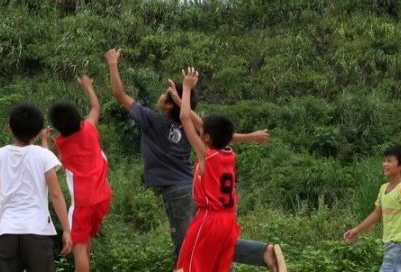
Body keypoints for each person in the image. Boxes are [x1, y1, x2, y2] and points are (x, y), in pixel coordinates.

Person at [105, 48, 286, 272]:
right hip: (194, 191)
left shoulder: (155, 121)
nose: (161, 96)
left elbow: (119, 94)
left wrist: (113, 63)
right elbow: (215, 131)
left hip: (179, 191)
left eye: (164, 94)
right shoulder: (217, 146)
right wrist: (252, 136)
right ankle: (262, 252)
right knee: (209, 244)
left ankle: (261, 253)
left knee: (186, 249)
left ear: (170, 104)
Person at [0, 102, 73, 272]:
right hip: (37, 230)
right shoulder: (44, 156)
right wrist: (67, 230)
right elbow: (56, 195)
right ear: (38, 130)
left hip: (7, 230)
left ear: (10, 128)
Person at [174, 67, 240, 272]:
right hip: (229, 221)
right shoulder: (227, 153)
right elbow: (199, 122)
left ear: (207, 137)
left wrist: (186, 88)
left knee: (191, 267)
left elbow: (185, 118)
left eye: (202, 131)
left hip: (209, 219)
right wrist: (180, 98)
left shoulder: (207, 155)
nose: (199, 130)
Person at [48, 76, 113, 272]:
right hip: (103, 197)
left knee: (79, 246)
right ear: (77, 116)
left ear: (57, 126)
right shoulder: (89, 129)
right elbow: (95, 108)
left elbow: (47, 159)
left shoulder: (61, 142)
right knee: (85, 240)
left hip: (82, 203)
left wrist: (44, 140)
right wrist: (88, 87)